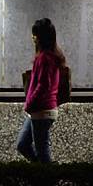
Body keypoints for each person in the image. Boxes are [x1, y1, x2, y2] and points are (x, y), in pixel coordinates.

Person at [16, 18, 66, 163]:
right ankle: (40, 170)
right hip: (41, 110)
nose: (33, 38)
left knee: (42, 152)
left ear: (41, 37)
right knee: (23, 144)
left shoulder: (44, 58)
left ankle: (45, 174)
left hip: (41, 110)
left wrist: (30, 103)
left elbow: (43, 85)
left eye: (35, 35)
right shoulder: (49, 56)